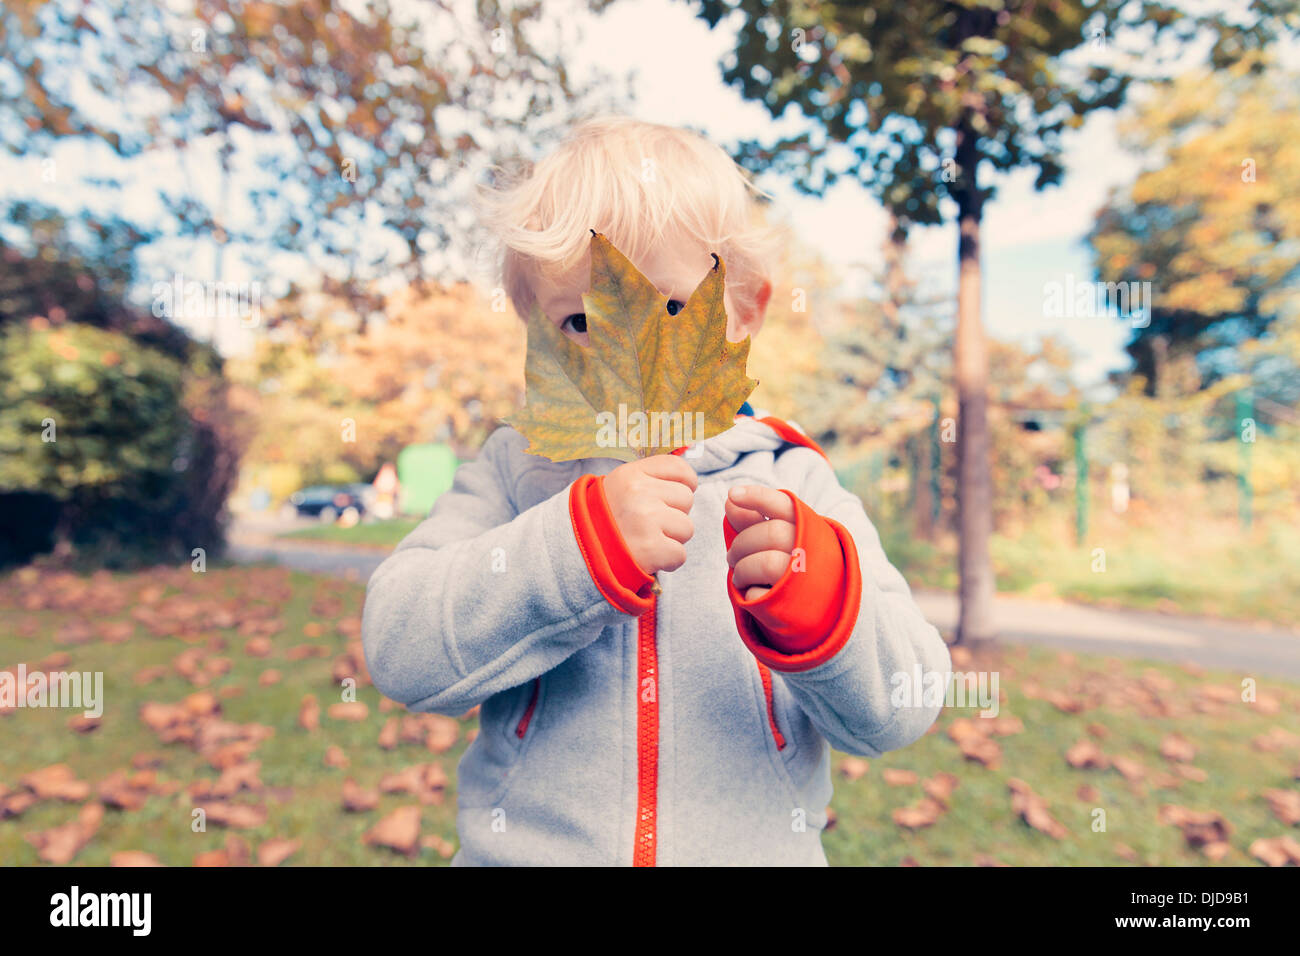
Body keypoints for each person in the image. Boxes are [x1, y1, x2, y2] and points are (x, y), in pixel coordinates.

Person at [361, 117, 951, 865]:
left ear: (744, 312)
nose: (620, 353)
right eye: (578, 320)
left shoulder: (794, 478)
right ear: (532, 330)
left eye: (669, 307)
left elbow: (906, 706)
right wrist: (573, 551)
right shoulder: (517, 471)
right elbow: (399, 645)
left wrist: (827, 608)